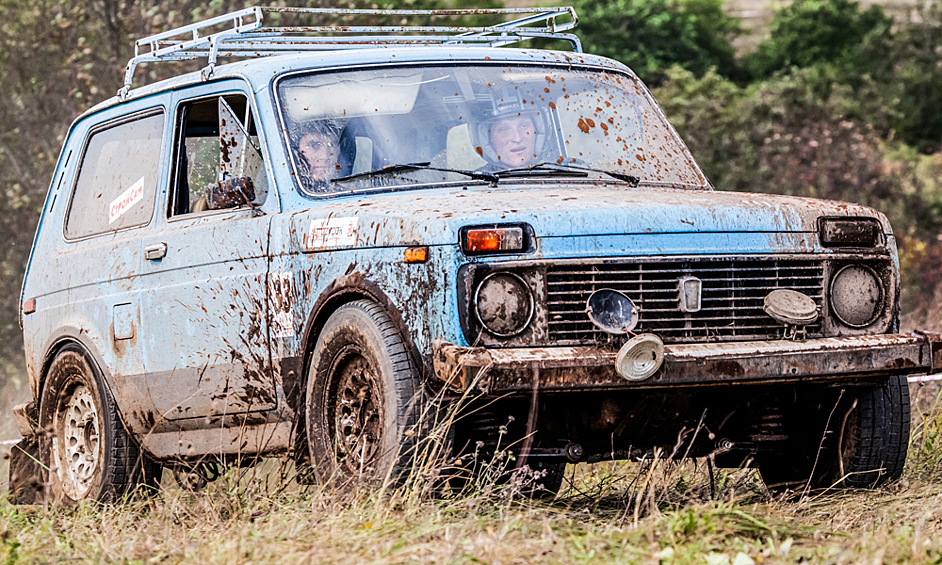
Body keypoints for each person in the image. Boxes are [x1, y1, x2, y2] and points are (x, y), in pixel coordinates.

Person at [475, 85, 547, 170]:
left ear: (537, 131)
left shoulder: (562, 172)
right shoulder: (475, 182)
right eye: (504, 129)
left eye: (524, 126)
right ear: (489, 139)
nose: (517, 138)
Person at [296, 120, 343, 190]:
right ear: (296, 151)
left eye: (331, 147)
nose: (325, 156)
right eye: (314, 146)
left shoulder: (348, 195)